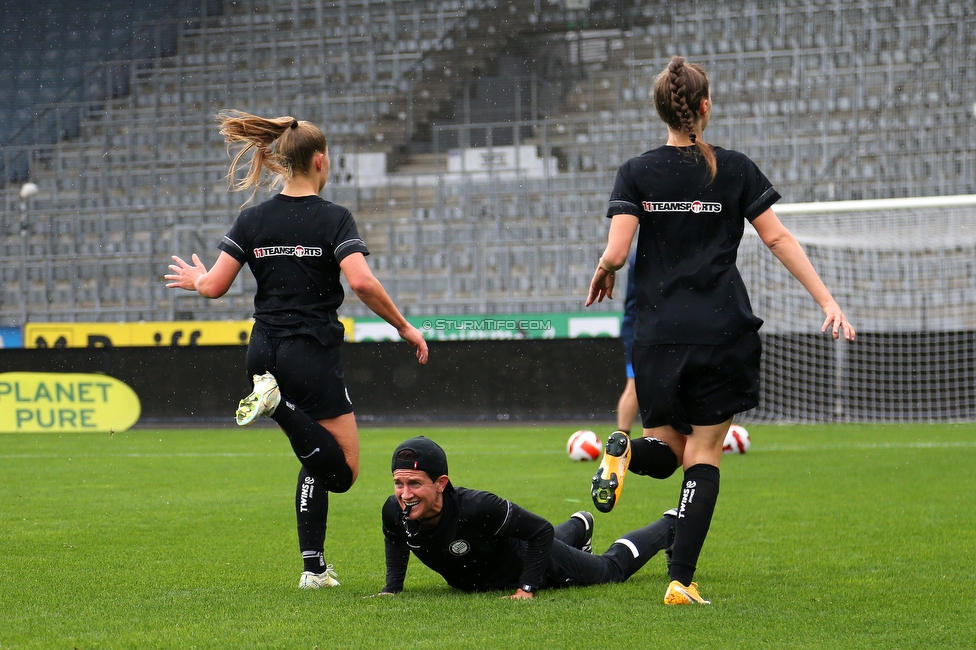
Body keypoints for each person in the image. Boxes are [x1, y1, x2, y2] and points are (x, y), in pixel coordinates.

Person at [585, 56, 855, 605]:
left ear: (660, 109)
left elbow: (616, 252)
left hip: (657, 335)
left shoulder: (636, 171)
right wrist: (826, 300)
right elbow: (778, 239)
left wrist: (604, 270)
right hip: (720, 330)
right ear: (705, 107)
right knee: (703, 453)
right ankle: (680, 582)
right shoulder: (733, 168)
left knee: (668, 444)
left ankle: (626, 456)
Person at [164, 110, 428, 589]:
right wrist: (405, 327)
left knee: (314, 457)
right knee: (343, 471)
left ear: (282, 163)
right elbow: (363, 282)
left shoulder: (253, 218)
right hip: (310, 355)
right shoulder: (334, 219)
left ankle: (314, 569)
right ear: (321, 161)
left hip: (261, 351)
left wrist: (197, 279)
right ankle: (278, 405)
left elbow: (215, 287)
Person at [378, 436, 675, 599]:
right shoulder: (394, 511)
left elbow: (541, 531)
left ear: (441, 483)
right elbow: (396, 538)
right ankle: (579, 526)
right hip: (498, 562)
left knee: (610, 570)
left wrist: (527, 588)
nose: (405, 494)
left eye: (415, 484)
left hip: (533, 562)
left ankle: (671, 525)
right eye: (399, 483)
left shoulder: (477, 507)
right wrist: (392, 589)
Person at [615, 250, 639, 434]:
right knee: (635, 384)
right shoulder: (645, 253)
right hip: (640, 325)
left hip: (637, 323)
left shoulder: (639, 253)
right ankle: (622, 439)